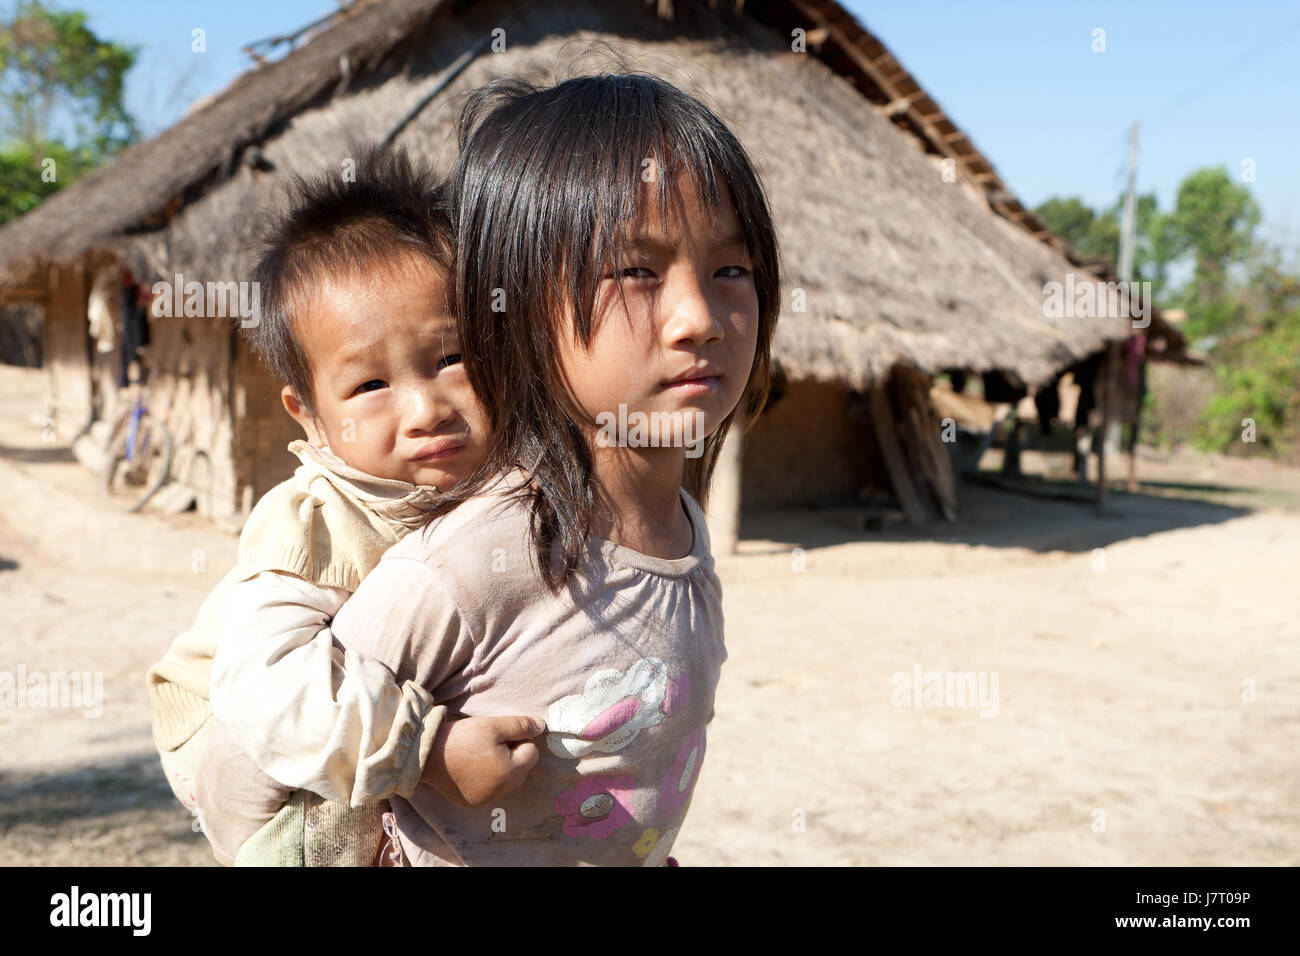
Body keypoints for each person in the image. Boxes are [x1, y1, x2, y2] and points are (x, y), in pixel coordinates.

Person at [318, 72, 782, 865]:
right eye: (636, 271)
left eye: (729, 271)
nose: (699, 319)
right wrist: (426, 753)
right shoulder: (476, 560)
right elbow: (281, 745)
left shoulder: (681, 526)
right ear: (519, 307)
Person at [145, 146, 542, 866]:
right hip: (223, 719)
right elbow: (268, 692)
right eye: (369, 386)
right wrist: (425, 750)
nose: (426, 409)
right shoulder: (313, 522)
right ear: (310, 416)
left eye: (453, 357)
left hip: (314, 704)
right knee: (329, 830)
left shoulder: (505, 482)